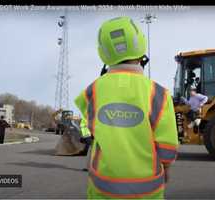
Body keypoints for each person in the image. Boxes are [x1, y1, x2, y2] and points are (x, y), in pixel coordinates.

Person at [74, 16, 178, 199]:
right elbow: (167, 144)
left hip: (103, 186)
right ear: (141, 45)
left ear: (103, 53)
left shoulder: (92, 90)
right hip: (148, 190)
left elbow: (90, 127)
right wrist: (166, 168)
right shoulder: (160, 94)